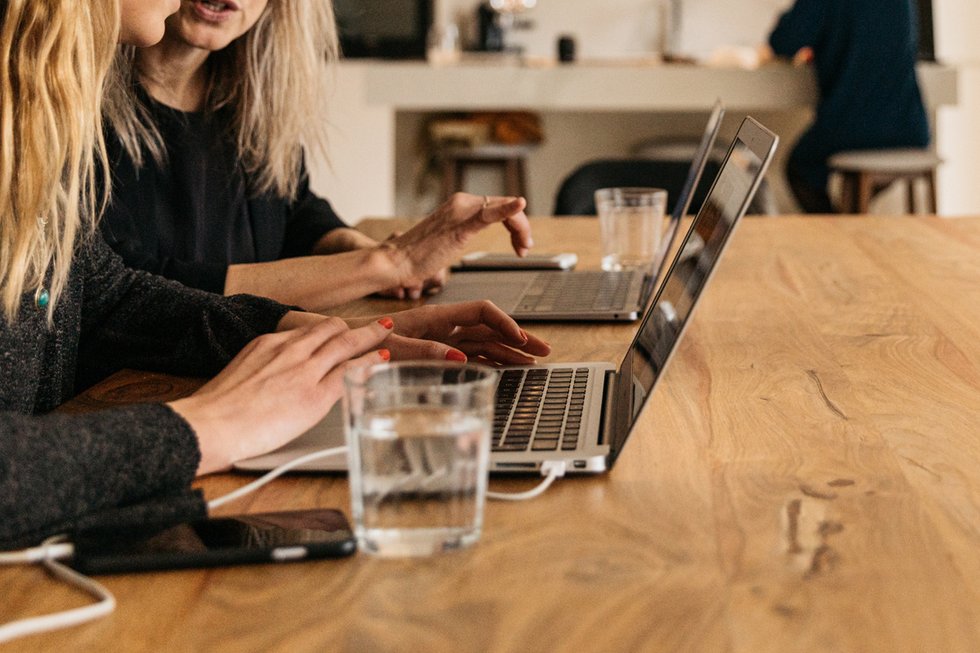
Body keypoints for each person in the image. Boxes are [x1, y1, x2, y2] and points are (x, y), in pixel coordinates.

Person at [0, 0, 549, 549]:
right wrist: (210, 425)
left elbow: (108, 295)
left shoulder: (34, 113)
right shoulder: (55, 115)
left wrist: (335, 340)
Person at [100, 0, 534, 310]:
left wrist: (365, 250)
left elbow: (292, 213)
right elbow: (133, 293)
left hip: (249, 368)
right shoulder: (78, 115)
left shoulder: (251, 100)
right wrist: (384, 264)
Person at [765, 0, 930, 213]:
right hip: (910, 127)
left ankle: (838, 230)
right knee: (852, 193)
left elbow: (783, 41)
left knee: (799, 168)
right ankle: (849, 223)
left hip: (852, 127)